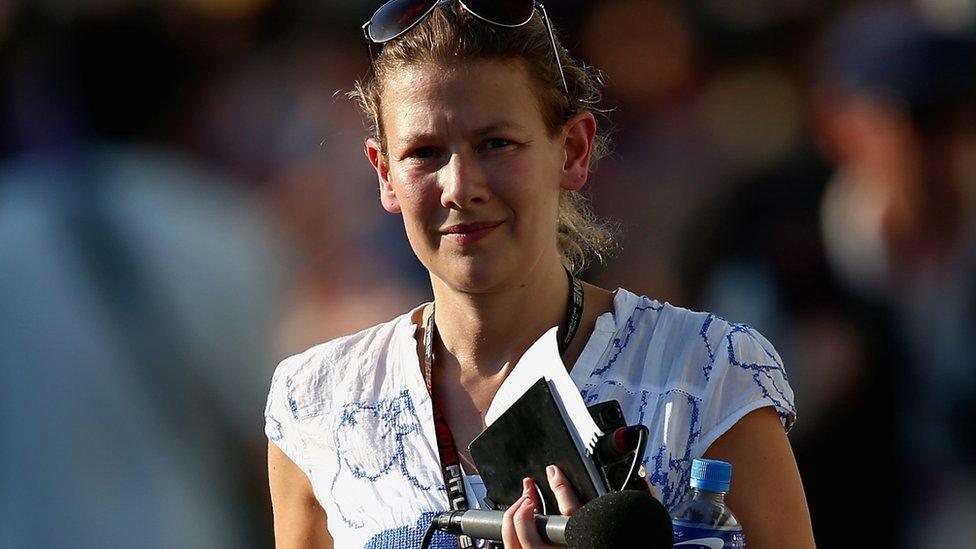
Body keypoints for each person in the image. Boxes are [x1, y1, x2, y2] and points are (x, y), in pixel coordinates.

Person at [265, 2, 815, 548]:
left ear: (572, 151)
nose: (460, 187)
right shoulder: (317, 404)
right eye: (425, 152)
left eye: (496, 144)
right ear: (384, 173)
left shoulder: (710, 375)